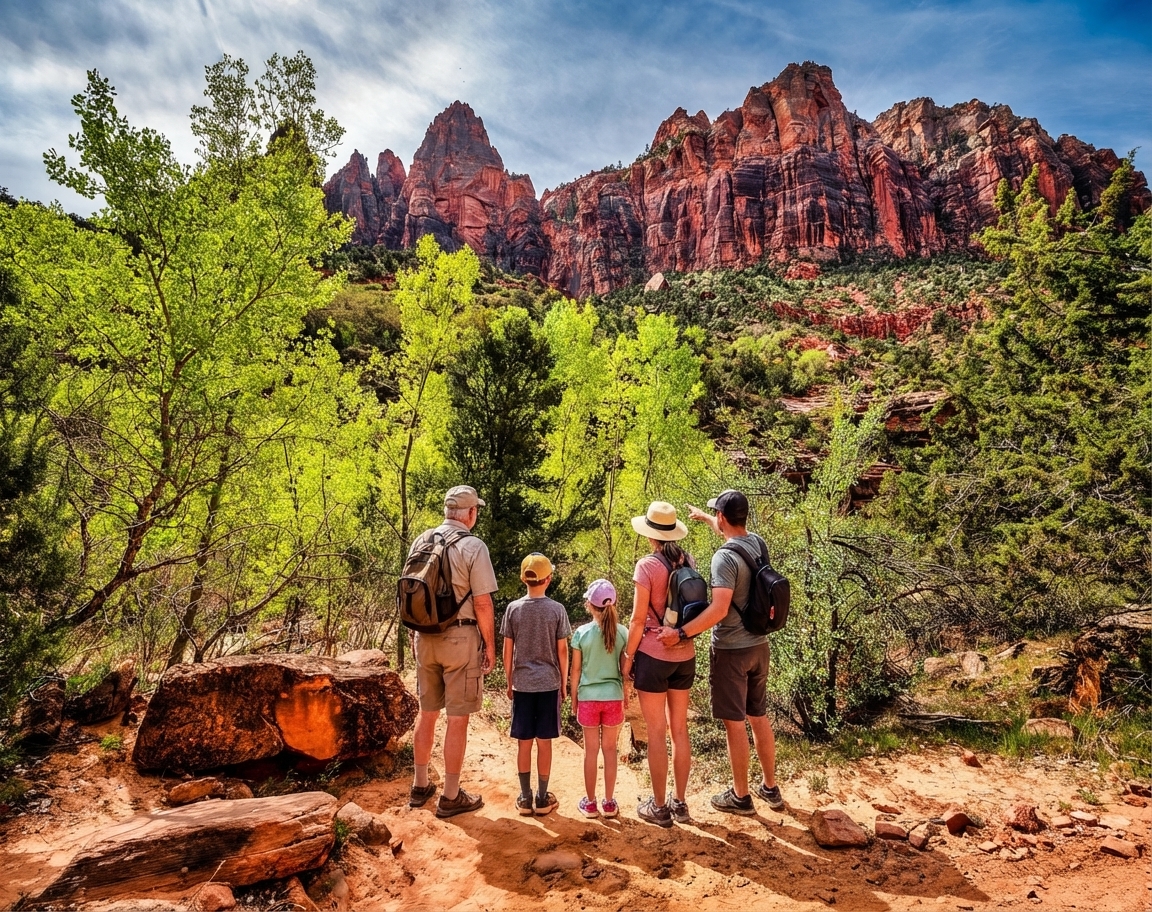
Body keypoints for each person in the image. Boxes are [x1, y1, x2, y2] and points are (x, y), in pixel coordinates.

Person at [659, 489, 784, 814]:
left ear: (723, 517)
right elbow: (732, 538)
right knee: (758, 715)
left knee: (734, 722)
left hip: (731, 649)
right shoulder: (756, 543)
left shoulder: (723, 559)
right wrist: (704, 518)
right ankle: (770, 788)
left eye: (716, 514)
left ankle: (740, 796)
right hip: (759, 645)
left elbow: (718, 609)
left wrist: (681, 632)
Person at [409, 485, 499, 819]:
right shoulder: (474, 546)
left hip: (424, 638)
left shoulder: (421, 541)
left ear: (448, 511)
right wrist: (490, 646)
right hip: (460, 638)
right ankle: (450, 795)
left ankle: (420, 785)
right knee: (457, 718)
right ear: (471, 513)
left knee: (428, 712)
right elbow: (483, 602)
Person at [621, 501, 697, 827]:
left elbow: (638, 620)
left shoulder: (647, 566)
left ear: (650, 534)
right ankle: (680, 803)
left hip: (654, 656)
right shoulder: (688, 560)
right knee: (680, 730)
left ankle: (659, 806)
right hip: (685, 654)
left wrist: (627, 659)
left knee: (656, 732)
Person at [501, 552, 571, 816]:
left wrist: (510, 680)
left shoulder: (513, 609)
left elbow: (508, 650)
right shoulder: (557, 610)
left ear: (523, 579)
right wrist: (563, 684)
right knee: (545, 742)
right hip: (549, 684)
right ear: (548, 579)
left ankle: (524, 797)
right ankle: (542, 798)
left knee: (524, 742)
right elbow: (562, 651)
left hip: (522, 685)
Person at [570, 579, 629, 819]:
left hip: (588, 699)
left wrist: (574, 698)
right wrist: (625, 697)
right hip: (613, 697)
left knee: (591, 752)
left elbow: (575, 671)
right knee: (611, 751)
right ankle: (609, 802)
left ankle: (591, 803)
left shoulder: (581, 633)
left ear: (589, 606)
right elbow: (625, 671)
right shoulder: (624, 632)